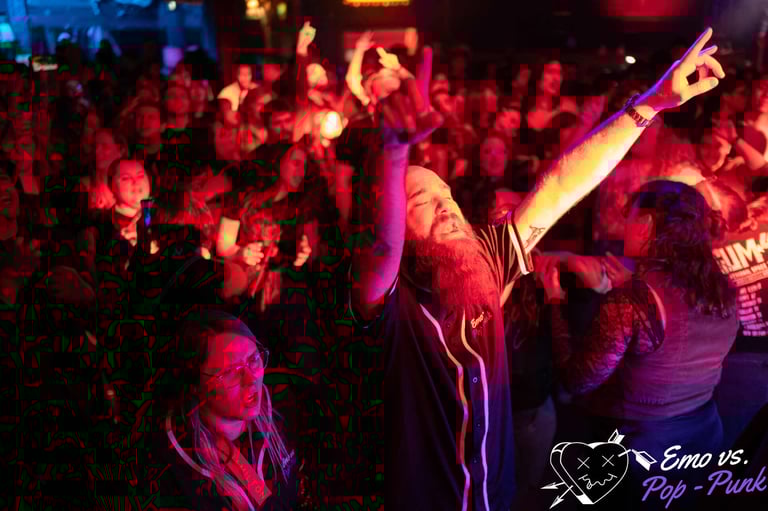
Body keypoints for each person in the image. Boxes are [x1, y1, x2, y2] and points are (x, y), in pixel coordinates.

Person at [350, 30, 725, 511]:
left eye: (448, 195)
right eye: (421, 200)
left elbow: (560, 185)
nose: (447, 207)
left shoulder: (483, 260)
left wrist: (649, 105)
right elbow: (383, 248)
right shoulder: (389, 298)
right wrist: (395, 150)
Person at [152, 311, 313, 510]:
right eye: (230, 372)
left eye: (253, 359)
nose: (251, 379)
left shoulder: (282, 406)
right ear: (196, 385)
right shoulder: (173, 467)